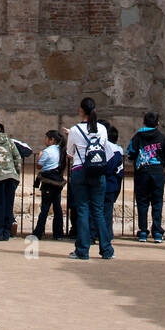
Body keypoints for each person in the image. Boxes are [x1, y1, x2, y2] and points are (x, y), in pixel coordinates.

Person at [66, 96, 114, 260]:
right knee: (98, 211)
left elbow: (69, 153)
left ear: (81, 110)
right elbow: (105, 147)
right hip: (97, 171)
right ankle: (106, 250)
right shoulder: (102, 128)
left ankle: (82, 250)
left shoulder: (74, 130)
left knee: (82, 210)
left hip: (80, 170)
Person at [126, 111, 165, 243]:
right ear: (157, 123)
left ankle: (143, 231)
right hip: (157, 172)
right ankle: (157, 232)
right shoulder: (161, 137)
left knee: (142, 202)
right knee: (157, 202)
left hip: (142, 172)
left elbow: (130, 152)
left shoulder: (137, 136)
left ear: (144, 122)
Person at [32, 129, 66, 241]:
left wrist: (40, 156)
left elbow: (39, 166)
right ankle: (58, 233)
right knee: (57, 208)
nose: (45, 140)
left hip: (48, 182)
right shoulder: (60, 150)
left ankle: (38, 233)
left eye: (46, 138)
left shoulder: (47, 151)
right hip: (57, 182)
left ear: (51, 140)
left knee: (45, 208)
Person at [102, 123, 124, 244]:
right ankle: (107, 235)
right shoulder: (118, 151)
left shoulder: (105, 148)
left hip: (103, 183)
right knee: (107, 212)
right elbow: (119, 172)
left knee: (97, 211)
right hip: (112, 185)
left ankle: (94, 234)